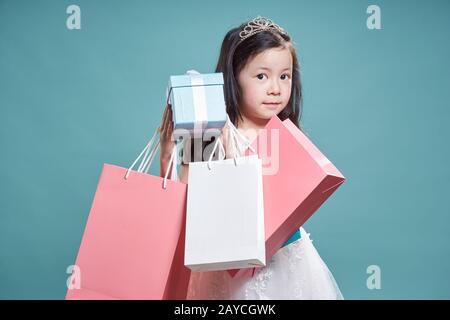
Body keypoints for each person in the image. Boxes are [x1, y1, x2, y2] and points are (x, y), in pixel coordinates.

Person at [158, 16, 343, 300]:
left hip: (283, 260)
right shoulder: (211, 132)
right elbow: (184, 203)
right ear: (234, 78)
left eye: (285, 76)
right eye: (261, 76)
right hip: (225, 263)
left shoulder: (287, 136)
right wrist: (169, 157)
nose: (275, 88)